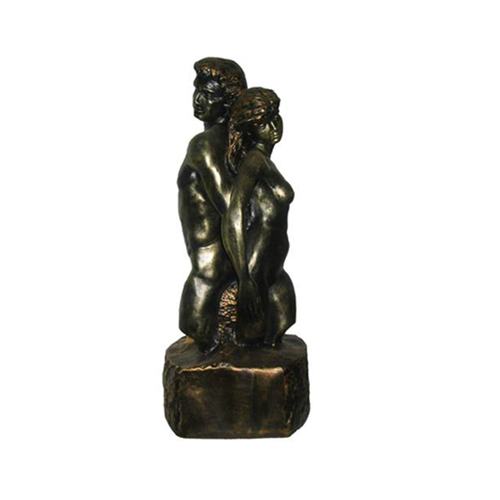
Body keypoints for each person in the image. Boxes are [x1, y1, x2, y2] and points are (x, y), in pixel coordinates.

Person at [177, 58, 247, 351]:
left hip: (209, 271)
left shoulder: (204, 145)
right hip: (227, 265)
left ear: (228, 101)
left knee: (199, 344)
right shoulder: (238, 142)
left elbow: (232, 206)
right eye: (197, 90)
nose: (198, 99)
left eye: (208, 94)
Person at [222, 87, 296, 345]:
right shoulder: (254, 161)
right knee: (250, 342)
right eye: (264, 123)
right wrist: (244, 277)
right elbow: (234, 212)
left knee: (278, 329)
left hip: (274, 267)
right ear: (250, 129)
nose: (274, 127)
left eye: (275, 116)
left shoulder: (264, 161)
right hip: (257, 268)